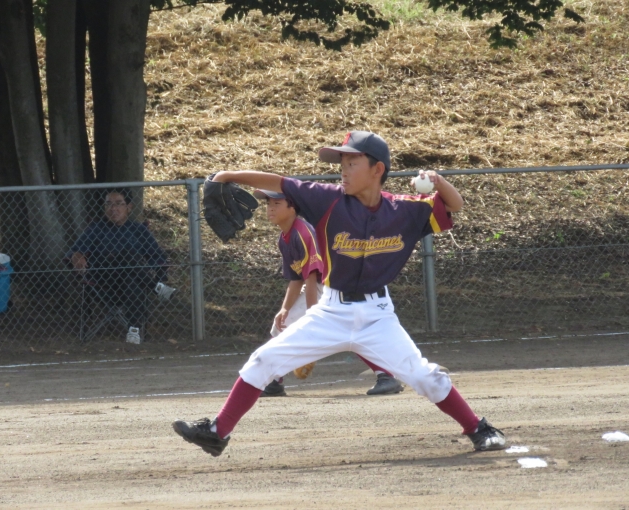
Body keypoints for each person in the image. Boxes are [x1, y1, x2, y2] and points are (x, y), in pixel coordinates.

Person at [173, 131, 506, 457]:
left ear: (377, 169)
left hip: (378, 317)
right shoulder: (328, 200)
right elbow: (281, 182)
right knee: (264, 360)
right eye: (341, 164)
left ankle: (478, 428)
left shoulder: (405, 210)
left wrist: (437, 180)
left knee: (424, 376)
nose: (343, 171)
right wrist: (227, 175)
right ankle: (217, 432)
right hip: (331, 312)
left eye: (351, 163)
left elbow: (455, 204)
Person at [252, 188, 404, 397]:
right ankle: (274, 382)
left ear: (292, 208)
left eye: (277, 204)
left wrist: (313, 316)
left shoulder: (303, 232)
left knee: (352, 332)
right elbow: (296, 279)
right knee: (282, 326)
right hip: (321, 286)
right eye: (268, 204)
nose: (270, 208)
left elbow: (312, 276)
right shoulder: (285, 237)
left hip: (334, 286)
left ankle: (386, 376)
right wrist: (285, 309)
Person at [67, 188, 175, 344]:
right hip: (103, 280)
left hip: (132, 280)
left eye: (118, 204)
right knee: (129, 258)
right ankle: (155, 287)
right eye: (108, 204)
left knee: (131, 276)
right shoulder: (96, 229)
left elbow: (157, 256)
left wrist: (157, 272)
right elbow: (75, 251)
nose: (113, 208)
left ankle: (133, 331)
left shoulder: (138, 230)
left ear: (129, 207)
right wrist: (77, 256)